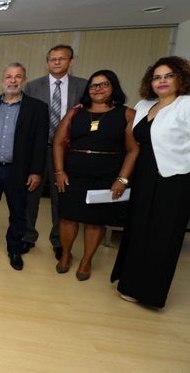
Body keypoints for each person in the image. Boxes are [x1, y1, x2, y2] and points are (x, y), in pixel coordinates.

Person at [111, 56, 190, 307]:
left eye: (168, 76)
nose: (162, 81)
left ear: (180, 78)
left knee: (162, 237)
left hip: (174, 182)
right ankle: (129, 284)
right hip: (144, 178)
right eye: (157, 77)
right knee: (138, 230)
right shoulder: (144, 105)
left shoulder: (186, 104)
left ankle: (150, 294)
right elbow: (135, 143)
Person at [53, 70, 138, 280]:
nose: (98, 89)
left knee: (95, 221)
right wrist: (59, 171)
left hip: (106, 177)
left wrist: (122, 179)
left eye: (104, 84)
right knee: (67, 218)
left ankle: (86, 260)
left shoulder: (127, 114)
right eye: (93, 85)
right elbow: (58, 143)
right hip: (73, 175)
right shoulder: (75, 113)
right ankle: (66, 255)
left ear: (113, 87)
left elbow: (133, 150)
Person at [0, 63, 48, 271]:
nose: (13, 81)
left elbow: (40, 143)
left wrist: (36, 171)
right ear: (2, 80)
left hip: (18, 170)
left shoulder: (37, 108)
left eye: (18, 77)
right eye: (8, 76)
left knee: (18, 211)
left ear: (24, 80)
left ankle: (15, 249)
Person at [23, 44, 88, 260]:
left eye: (62, 58)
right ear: (47, 63)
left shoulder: (83, 86)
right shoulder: (32, 87)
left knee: (61, 197)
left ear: (71, 61)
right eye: (53, 59)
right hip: (37, 150)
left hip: (67, 152)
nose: (57, 62)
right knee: (30, 196)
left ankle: (59, 241)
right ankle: (27, 236)